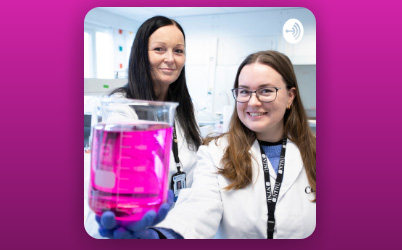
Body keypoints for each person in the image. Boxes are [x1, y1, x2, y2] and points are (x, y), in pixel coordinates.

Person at [97, 50, 316, 239]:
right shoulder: (216, 153)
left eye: (266, 91)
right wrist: (158, 236)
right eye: (244, 91)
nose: (252, 101)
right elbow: (199, 208)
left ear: (290, 96)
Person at [85, 15, 202, 238]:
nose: (171, 58)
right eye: (159, 49)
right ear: (141, 54)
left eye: (178, 50)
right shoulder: (119, 108)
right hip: (124, 228)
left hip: (171, 228)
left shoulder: (186, 109)